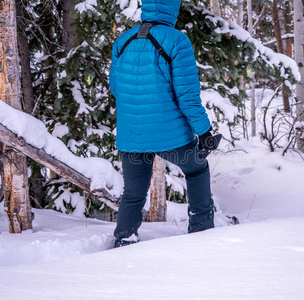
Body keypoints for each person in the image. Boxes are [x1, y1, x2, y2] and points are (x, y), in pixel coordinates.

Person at [109, 0, 216, 248]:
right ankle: (202, 231)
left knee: (134, 193)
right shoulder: (177, 40)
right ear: (173, 7)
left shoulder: (123, 40)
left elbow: (117, 88)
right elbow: (187, 97)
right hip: (173, 136)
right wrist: (205, 132)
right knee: (197, 170)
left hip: (132, 136)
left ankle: (124, 240)